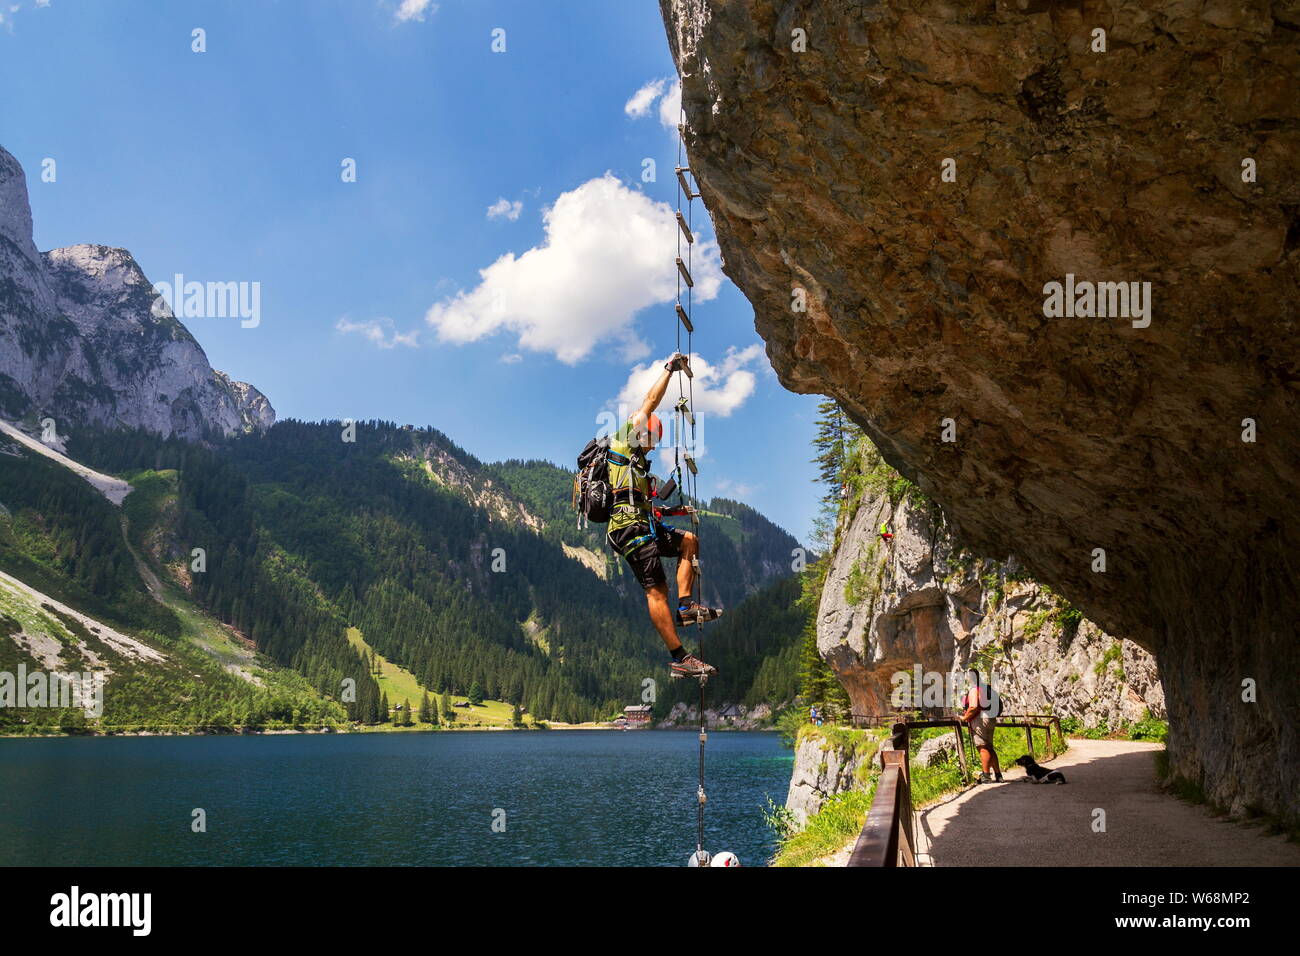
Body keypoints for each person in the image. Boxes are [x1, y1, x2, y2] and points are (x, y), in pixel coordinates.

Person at [606, 352, 723, 679]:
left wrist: (674, 511)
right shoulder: (623, 443)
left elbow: (645, 502)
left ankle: (686, 607)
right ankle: (680, 657)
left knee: (690, 541)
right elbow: (649, 402)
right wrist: (670, 369)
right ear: (640, 433)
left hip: (645, 522)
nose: (655, 447)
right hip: (627, 529)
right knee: (656, 590)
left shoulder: (638, 467)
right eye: (653, 440)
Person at [959, 666, 1002, 783]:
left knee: (982, 747)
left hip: (980, 720)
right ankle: (998, 775)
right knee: (989, 747)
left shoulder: (974, 689)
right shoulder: (985, 687)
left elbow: (973, 706)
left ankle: (986, 776)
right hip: (990, 717)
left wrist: (964, 718)